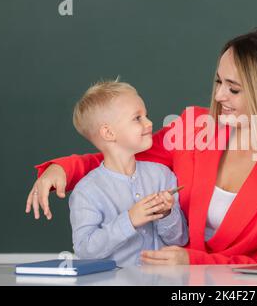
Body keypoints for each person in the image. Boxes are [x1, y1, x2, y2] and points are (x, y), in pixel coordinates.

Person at [26, 28, 257, 265]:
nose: (218, 97)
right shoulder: (195, 128)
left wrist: (195, 261)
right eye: (218, 82)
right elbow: (122, 154)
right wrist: (64, 168)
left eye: (234, 89)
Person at [66, 80, 188, 267]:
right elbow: (85, 250)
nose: (149, 123)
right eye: (137, 118)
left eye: (146, 115)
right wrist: (129, 220)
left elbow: (180, 240)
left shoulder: (162, 176)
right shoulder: (87, 191)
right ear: (108, 133)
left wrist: (167, 214)